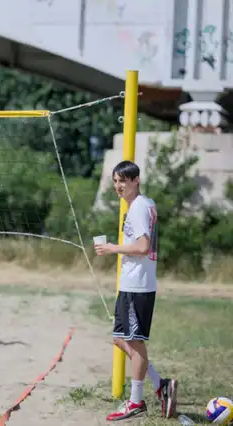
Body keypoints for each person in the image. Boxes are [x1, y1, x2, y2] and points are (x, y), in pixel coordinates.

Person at [94, 160, 178, 421]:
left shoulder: (140, 207)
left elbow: (143, 247)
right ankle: (159, 384)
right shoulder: (142, 205)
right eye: (116, 181)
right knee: (120, 338)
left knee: (134, 341)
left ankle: (135, 401)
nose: (118, 186)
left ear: (136, 180)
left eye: (123, 181)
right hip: (132, 283)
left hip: (138, 284)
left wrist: (112, 248)